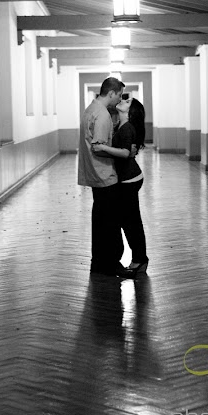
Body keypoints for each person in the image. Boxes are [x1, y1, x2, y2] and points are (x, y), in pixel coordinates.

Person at [78, 77, 136, 279]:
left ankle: (99, 263)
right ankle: (111, 264)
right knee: (110, 224)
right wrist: (122, 152)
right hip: (104, 175)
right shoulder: (102, 115)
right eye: (119, 95)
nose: (119, 99)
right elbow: (99, 148)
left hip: (94, 174)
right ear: (111, 93)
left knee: (101, 222)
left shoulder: (90, 110)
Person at [92, 96, 149, 273]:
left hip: (129, 180)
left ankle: (140, 260)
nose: (123, 101)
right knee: (128, 220)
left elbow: (125, 153)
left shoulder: (127, 128)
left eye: (127, 102)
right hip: (127, 178)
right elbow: (125, 152)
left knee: (131, 222)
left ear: (130, 112)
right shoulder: (121, 126)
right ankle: (138, 258)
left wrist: (102, 148)